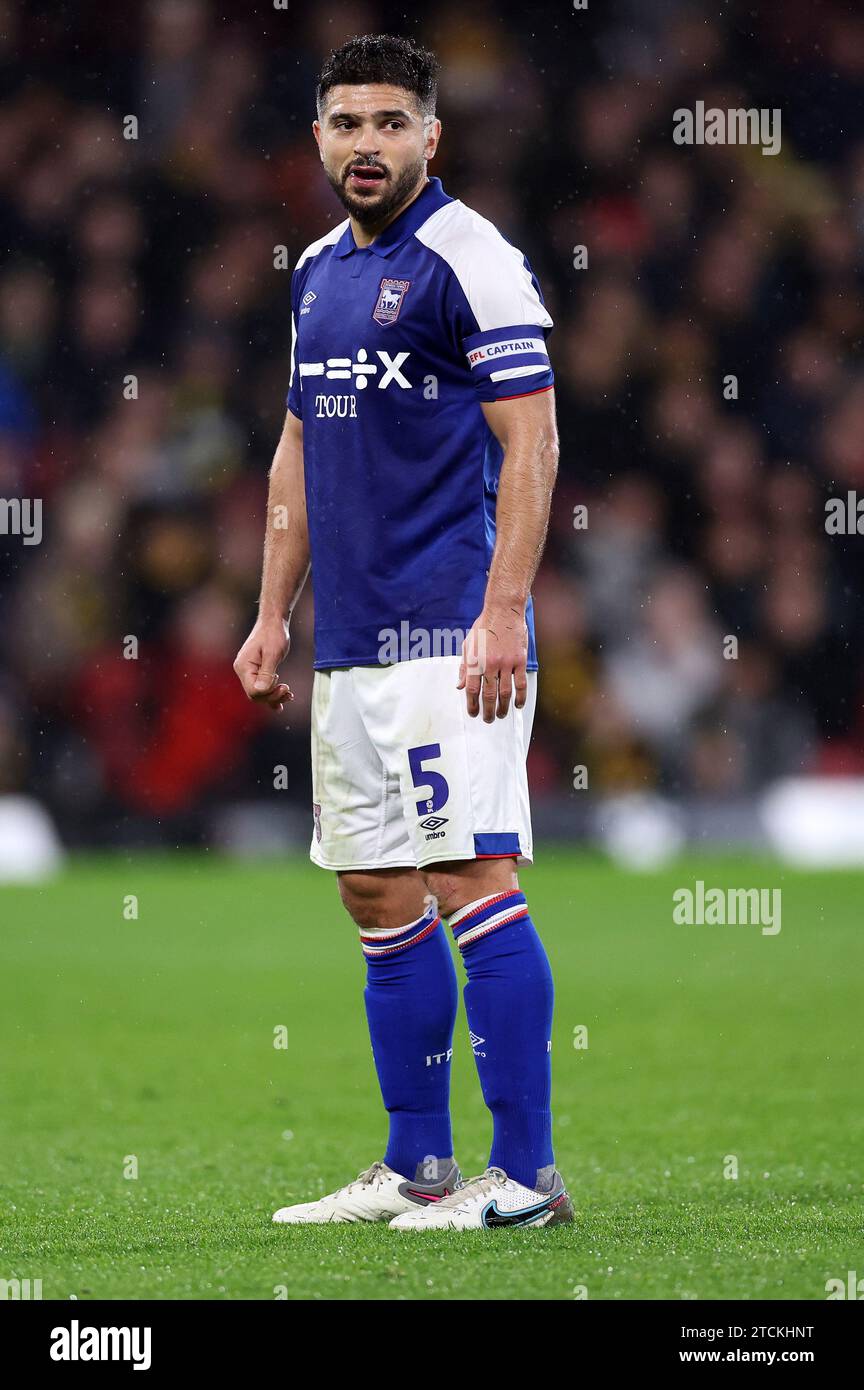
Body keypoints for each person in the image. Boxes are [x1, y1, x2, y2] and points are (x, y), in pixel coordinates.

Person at [233, 33, 570, 1230]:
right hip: (351, 643)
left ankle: (526, 1176)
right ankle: (419, 1162)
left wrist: (500, 611)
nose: (364, 144)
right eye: (343, 124)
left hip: (450, 634)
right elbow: (296, 449)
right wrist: (272, 612)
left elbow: (531, 442)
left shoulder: (470, 259)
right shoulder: (317, 270)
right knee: (377, 893)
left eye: (387, 123)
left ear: (433, 134)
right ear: (317, 138)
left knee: (472, 875)